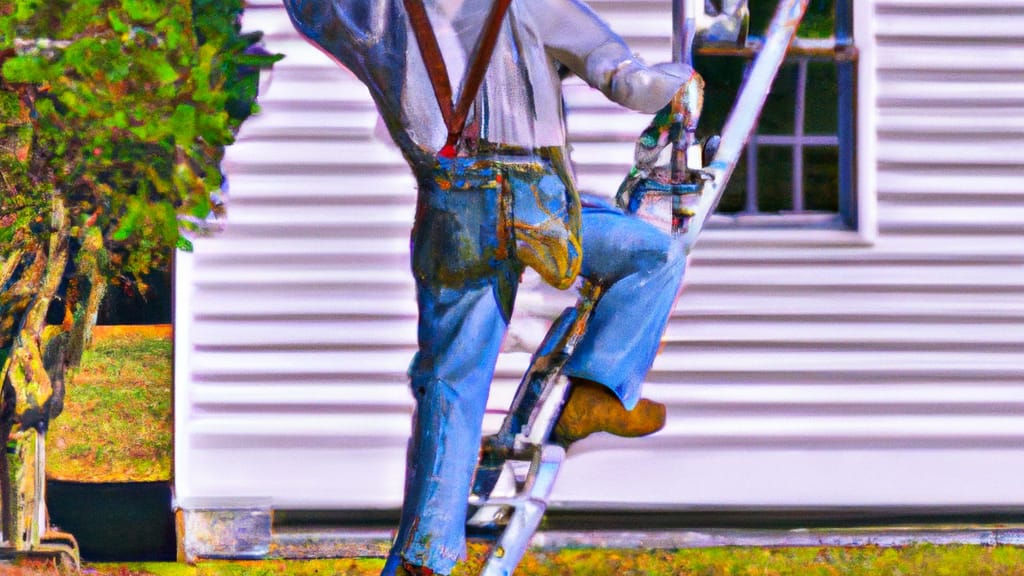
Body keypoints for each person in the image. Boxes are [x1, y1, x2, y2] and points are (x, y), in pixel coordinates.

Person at [284, 0, 703, 573]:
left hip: (449, 205)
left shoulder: (382, 15)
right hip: (533, 205)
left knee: (451, 380)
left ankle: (427, 553)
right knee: (655, 255)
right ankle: (597, 393)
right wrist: (683, 81)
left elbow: (313, 11)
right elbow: (629, 83)